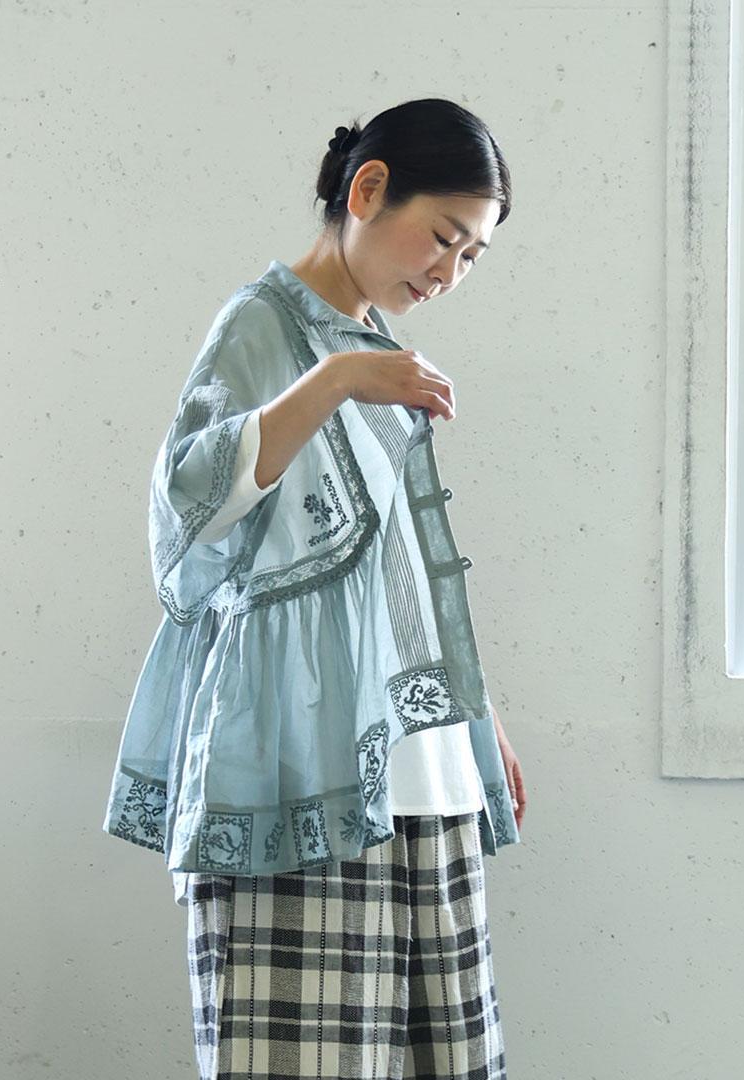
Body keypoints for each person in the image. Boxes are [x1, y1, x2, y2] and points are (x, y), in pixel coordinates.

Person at [102, 97, 527, 1079]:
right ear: (369, 190)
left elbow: (404, 560)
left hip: (420, 771)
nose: (448, 274)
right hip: (298, 762)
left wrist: (478, 710)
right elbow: (190, 506)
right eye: (444, 238)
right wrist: (333, 381)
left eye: (472, 256)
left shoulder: (376, 348)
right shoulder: (263, 324)